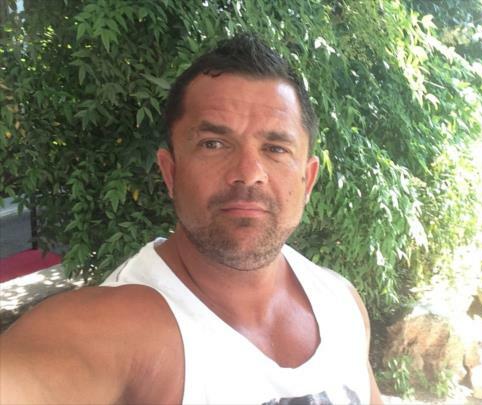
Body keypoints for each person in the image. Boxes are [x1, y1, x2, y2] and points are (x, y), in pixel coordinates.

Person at [0, 34, 383, 404]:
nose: (249, 173)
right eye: (213, 144)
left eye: (276, 148)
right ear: (170, 173)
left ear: (307, 180)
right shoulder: (119, 330)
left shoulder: (343, 305)